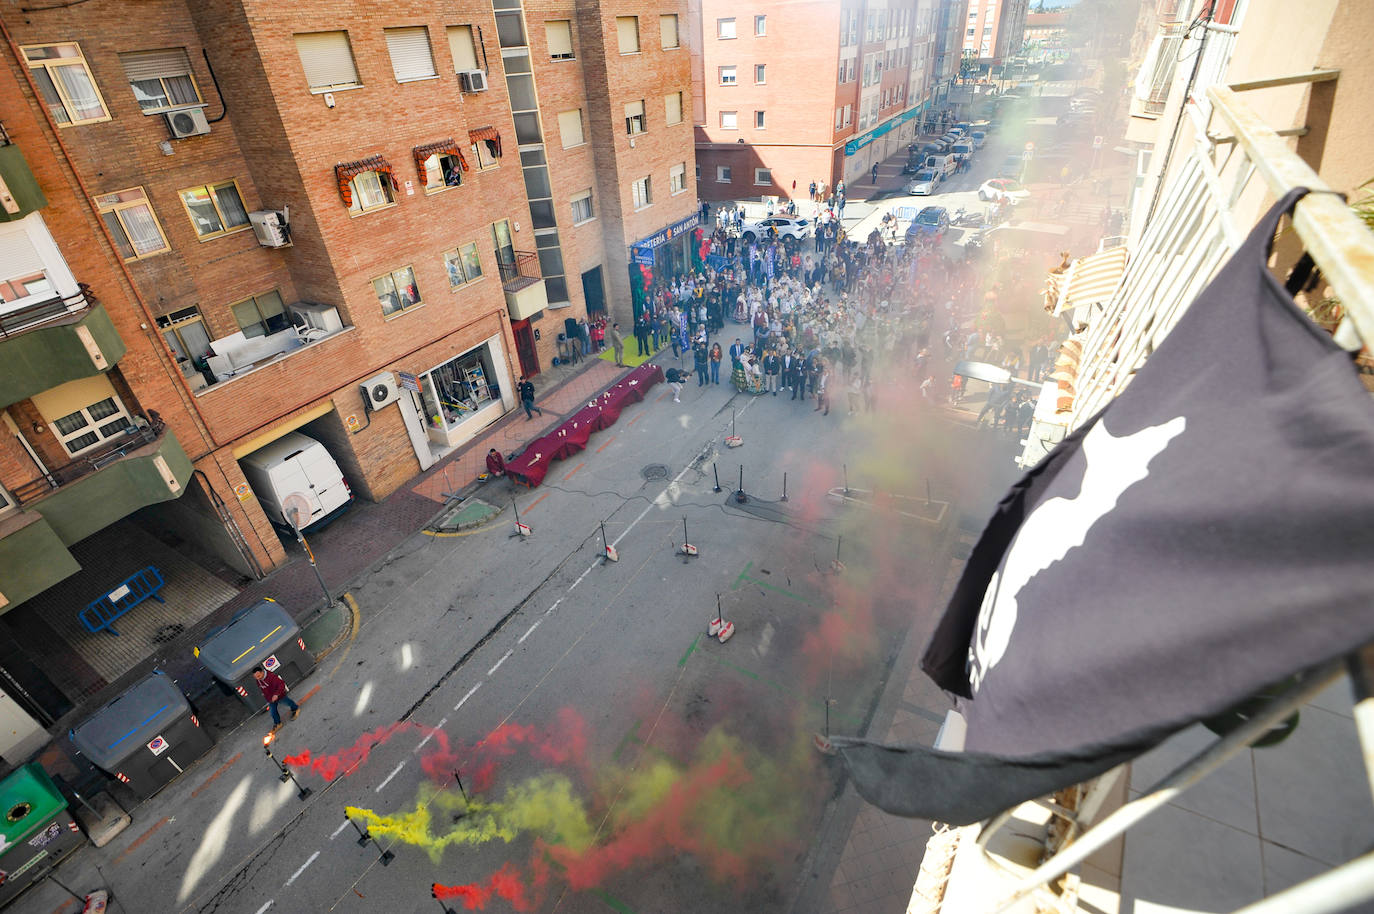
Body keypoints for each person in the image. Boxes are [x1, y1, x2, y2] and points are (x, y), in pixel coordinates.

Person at [253, 666, 298, 731]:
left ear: (262, 672)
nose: (257, 678)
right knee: (272, 712)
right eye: (255, 677)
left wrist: (276, 694)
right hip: (270, 699)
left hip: (280, 696)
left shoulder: (271, 677)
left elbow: (281, 684)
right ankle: (278, 723)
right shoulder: (258, 680)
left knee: (288, 702)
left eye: (258, 676)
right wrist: (266, 696)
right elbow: (262, 688)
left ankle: (295, 709)